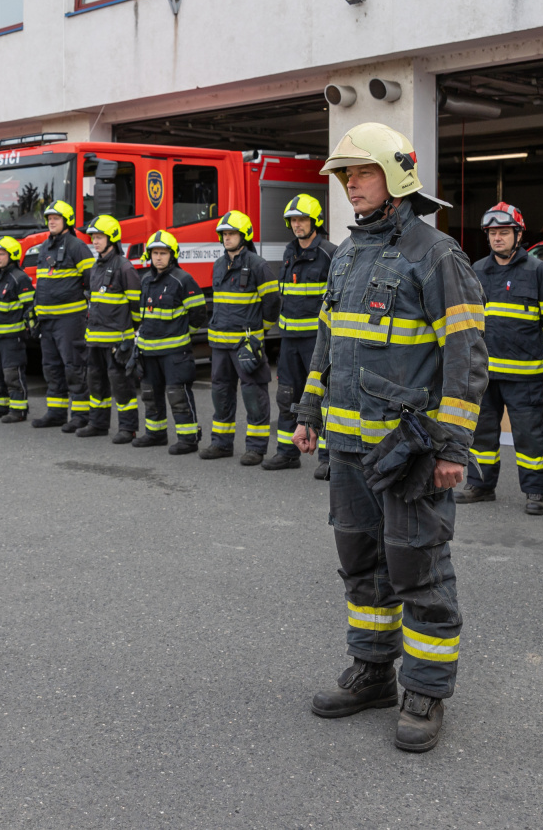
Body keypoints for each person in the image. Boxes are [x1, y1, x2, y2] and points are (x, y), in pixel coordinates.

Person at [291, 121, 488, 753]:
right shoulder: (346, 254)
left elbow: (466, 355)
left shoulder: (437, 254)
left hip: (408, 451)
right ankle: (373, 672)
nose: (350, 183)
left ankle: (426, 691)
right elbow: (328, 340)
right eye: (345, 175)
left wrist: (454, 446)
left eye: (362, 172)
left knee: (419, 570)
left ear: (397, 178)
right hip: (347, 451)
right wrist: (308, 410)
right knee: (361, 566)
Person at [454, 203, 543, 515]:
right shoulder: (476, 270)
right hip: (483, 375)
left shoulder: (537, 270)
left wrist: (533, 351)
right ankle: (480, 485)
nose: (497, 238)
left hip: (523, 375)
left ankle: (536, 492)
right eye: (492, 233)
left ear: (518, 235)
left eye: (504, 232)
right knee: (481, 434)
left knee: (530, 436)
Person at [202, 210, 280, 465]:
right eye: (224, 234)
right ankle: (221, 443)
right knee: (221, 394)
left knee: (253, 394)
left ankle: (256, 448)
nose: (227, 238)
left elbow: (272, 303)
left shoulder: (258, 265)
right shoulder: (218, 264)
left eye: (231, 233)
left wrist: (260, 334)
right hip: (220, 343)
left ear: (244, 236)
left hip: (246, 344)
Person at [268, 194, 337, 477]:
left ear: (315, 222)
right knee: (287, 396)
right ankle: (287, 452)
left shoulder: (330, 253)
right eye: (293, 220)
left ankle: (328, 457)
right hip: (289, 340)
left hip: (317, 341)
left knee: (324, 397)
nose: (297, 225)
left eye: (302, 219)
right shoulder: (289, 252)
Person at [132, 231, 208, 454]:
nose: (158, 257)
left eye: (163, 253)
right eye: (155, 253)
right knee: (150, 393)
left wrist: (184, 334)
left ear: (172, 255)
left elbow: (198, 313)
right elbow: (144, 316)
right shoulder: (145, 279)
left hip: (175, 352)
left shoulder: (183, 280)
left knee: (178, 395)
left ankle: (188, 439)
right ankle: (156, 434)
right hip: (149, 351)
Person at [30, 201, 95, 430]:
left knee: (74, 366)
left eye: (56, 218)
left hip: (69, 320)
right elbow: (42, 283)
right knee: (51, 367)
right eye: (49, 219)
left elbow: (92, 279)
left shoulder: (77, 246)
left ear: (66, 220)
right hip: (47, 319)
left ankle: (80, 416)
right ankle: (56, 413)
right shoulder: (45, 247)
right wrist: (35, 309)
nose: (52, 222)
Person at [79, 214, 143, 442]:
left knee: (121, 385)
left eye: (99, 237)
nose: (94, 241)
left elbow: (136, 306)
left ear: (112, 238)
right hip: (95, 338)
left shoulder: (124, 267)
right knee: (95, 382)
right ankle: (98, 423)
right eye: (93, 237)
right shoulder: (97, 266)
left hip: (117, 340)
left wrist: (131, 335)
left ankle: (128, 428)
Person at [0, 235, 35, 422]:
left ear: (12, 255)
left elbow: (30, 308)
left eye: (2, 254)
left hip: (12, 337)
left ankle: (18, 410)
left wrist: (29, 330)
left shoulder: (20, 278)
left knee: (12, 374)